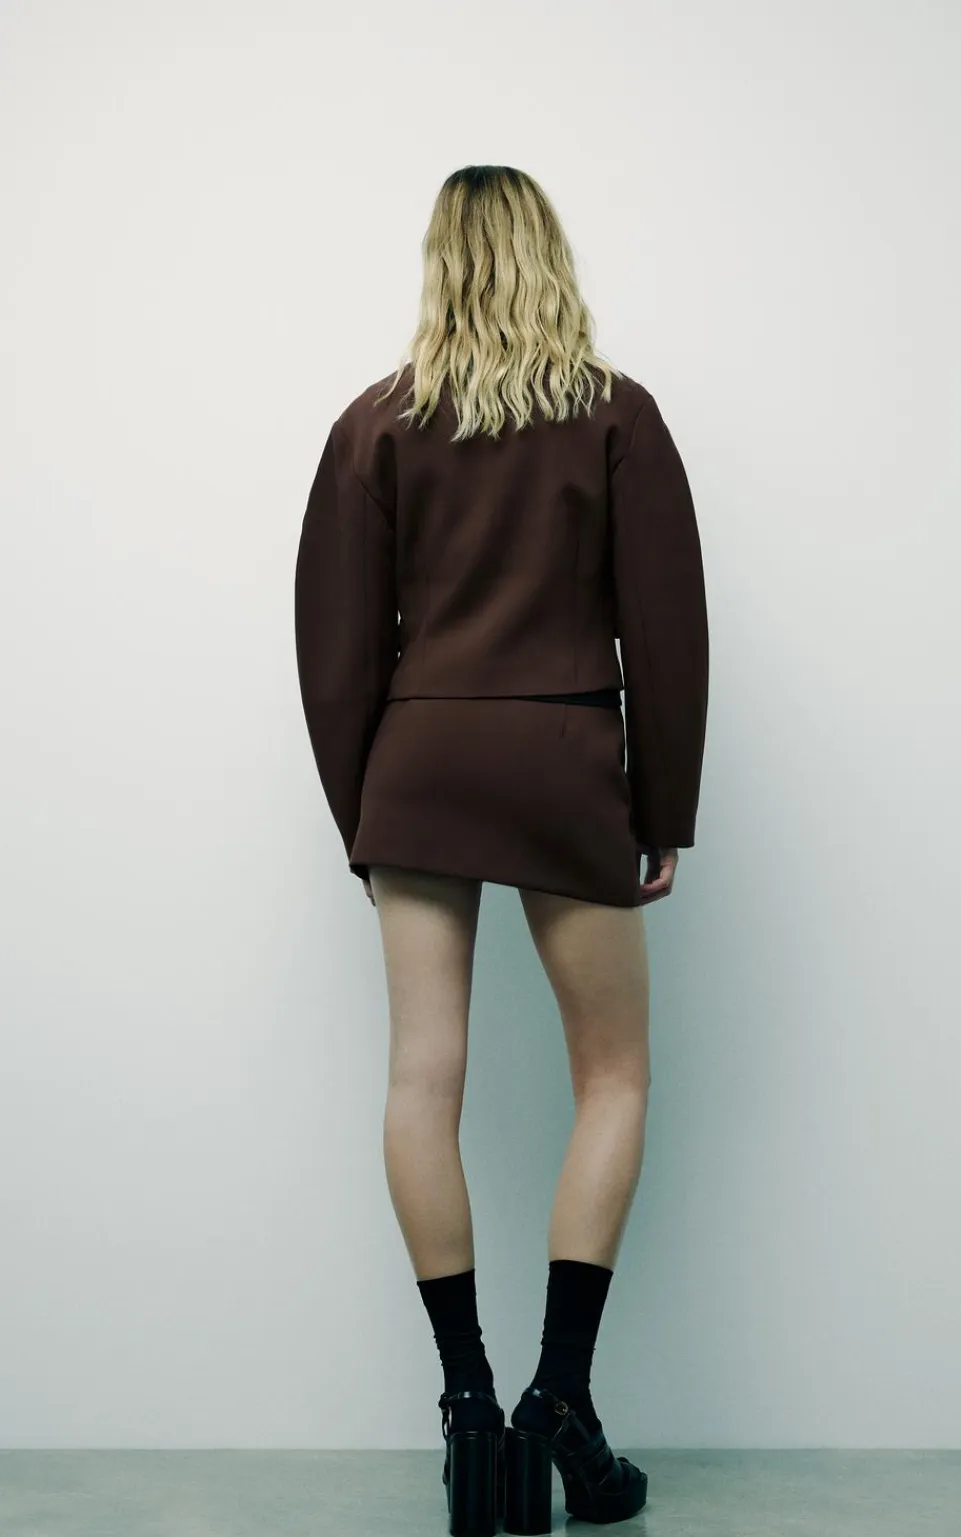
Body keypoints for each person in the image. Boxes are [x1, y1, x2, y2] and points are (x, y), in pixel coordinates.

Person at [293, 164, 710, 1536]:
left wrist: (364, 812)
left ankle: (469, 1408)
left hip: (420, 761)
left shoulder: (376, 423)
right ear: (549, 257)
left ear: (439, 263)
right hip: (564, 762)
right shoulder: (617, 415)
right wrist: (662, 804)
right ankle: (560, 1401)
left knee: (422, 1080)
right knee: (615, 1077)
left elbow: (335, 645)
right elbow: (667, 626)